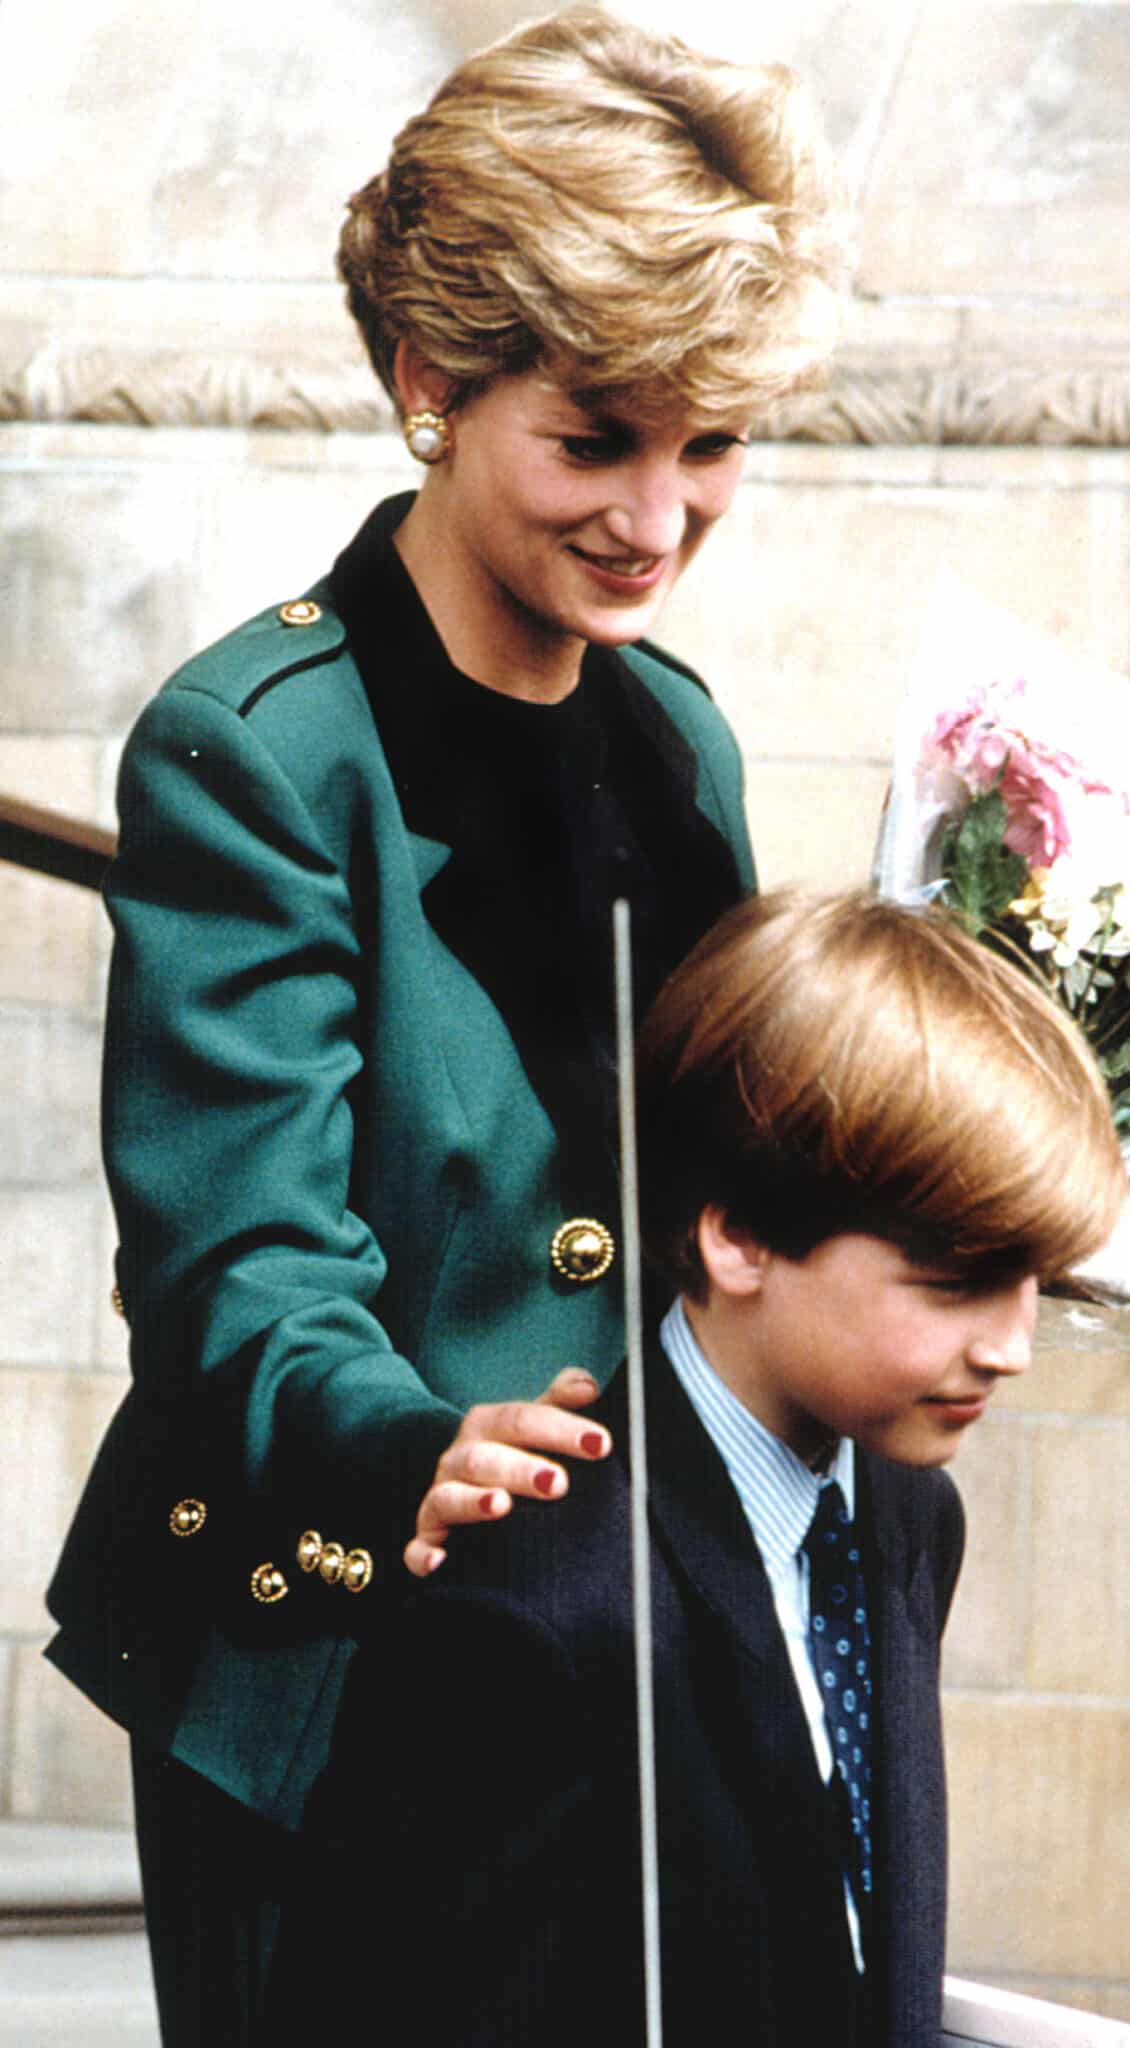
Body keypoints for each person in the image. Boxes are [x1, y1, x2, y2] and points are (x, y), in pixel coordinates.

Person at [43, 11, 843, 2042]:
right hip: (330, 1632)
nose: (655, 518)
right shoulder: (260, 748)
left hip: (625, 1632)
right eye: (594, 439)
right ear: (427, 384)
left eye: (708, 446)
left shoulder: (672, 736)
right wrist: (404, 1439)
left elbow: (712, 1172)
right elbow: (238, 1258)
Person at [264, 889, 1130, 2047]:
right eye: (955, 1277)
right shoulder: (534, 1601)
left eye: (1036, 1279)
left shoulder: (909, 1508)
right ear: (738, 1238)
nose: (1010, 1346)